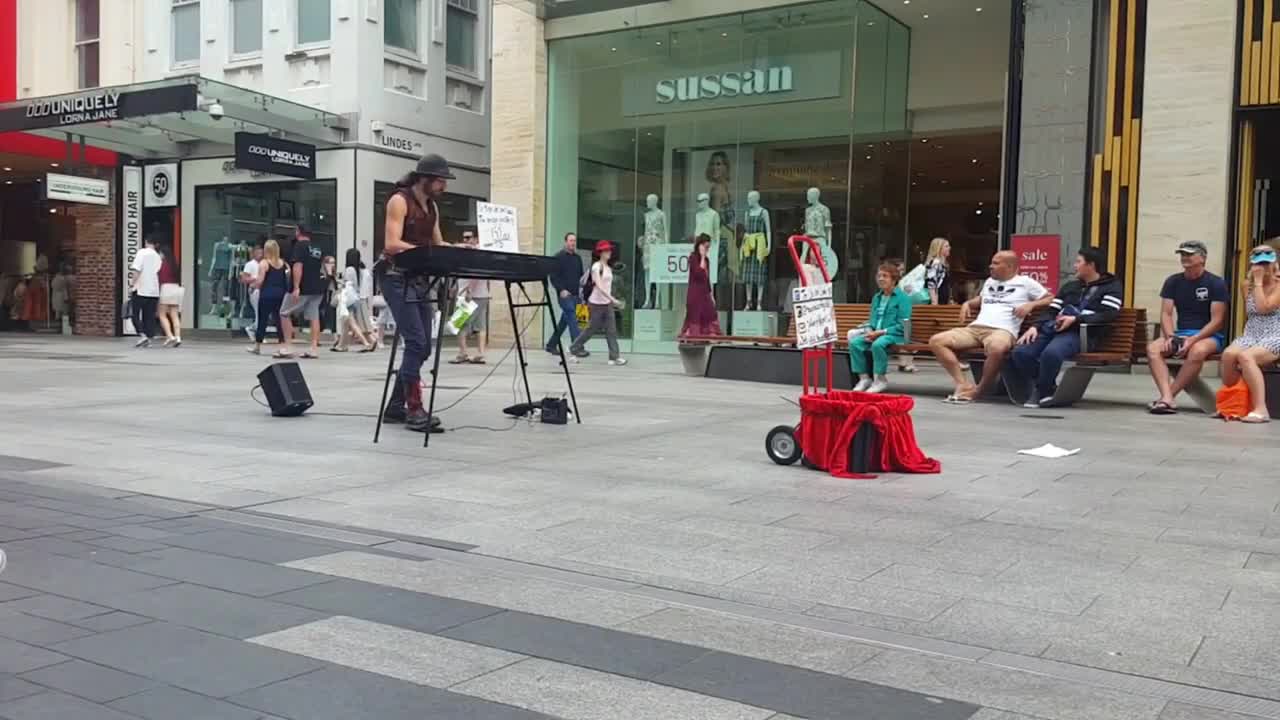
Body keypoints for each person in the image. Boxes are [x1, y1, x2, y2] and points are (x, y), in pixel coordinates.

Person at [381, 153, 453, 432]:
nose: (443, 186)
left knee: (423, 346)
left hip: (420, 279)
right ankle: (413, 407)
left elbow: (438, 243)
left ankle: (395, 407)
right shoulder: (399, 201)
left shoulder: (432, 208)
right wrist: (426, 252)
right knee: (415, 342)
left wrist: (459, 249)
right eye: (439, 180)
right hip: (395, 276)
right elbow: (391, 243)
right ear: (424, 178)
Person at [929, 250, 1053, 404]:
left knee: (997, 348)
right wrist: (968, 303)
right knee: (937, 341)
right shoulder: (989, 281)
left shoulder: (1025, 282)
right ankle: (962, 383)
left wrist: (1031, 304)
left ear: (1009, 266)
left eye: (995, 263)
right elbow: (982, 299)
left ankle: (980, 390)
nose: (990, 266)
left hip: (1002, 331)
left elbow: (1050, 298)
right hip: (975, 329)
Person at [1006, 247, 1123, 408]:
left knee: (1051, 353)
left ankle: (1042, 391)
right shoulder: (1070, 287)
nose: (1074, 266)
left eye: (1078, 262)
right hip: (1053, 328)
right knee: (1021, 352)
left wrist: (1076, 319)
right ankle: (1047, 386)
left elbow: (1108, 314)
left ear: (1091, 265)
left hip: (1081, 333)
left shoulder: (1112, 287)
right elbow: (1052, 310)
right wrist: (1035, 326)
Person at [1146, 241, 1230, 414]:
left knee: (1197, 350)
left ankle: (1167, 398)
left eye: (1189, 254)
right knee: (1153, 348)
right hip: (1180, 334)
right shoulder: (1173, 281)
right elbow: (1166, 314)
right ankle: (1167, 398)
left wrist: (1193, 339)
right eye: (1182, 254)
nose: (1185, 257)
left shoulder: (1216, 283)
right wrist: (1171, 337)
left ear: (1202, 258)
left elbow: (1217, 321)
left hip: (1209, 337)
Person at [1219, 246, 1280, 423]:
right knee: (1229, 355)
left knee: (1246, 357)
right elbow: (1252, 311)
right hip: (1252, 333)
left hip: (1275, 333)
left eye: (1266, 263)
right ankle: (1235, 404)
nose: (1262, 267)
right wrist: (1256, 282)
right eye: (1258, 263)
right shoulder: (1246, 284)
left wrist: (1260, 282)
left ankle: (1261, 409)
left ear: (1274, 264)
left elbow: (1263, 308)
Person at [851, 262, 912, 393]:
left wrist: (880, 332)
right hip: (876, 333)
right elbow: (873, 320)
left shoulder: (903, 298)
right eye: (879, 276)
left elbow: (903, 325)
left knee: (878, 344)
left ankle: (880, 380)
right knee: (855, 343)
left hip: (895, 334)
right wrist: (869, 330)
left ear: (894, 279)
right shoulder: (877, 297)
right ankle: (864, 378)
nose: (880, 279)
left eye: (885, 276)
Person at [569, 240, 626, 365]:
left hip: (607, 304)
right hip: (595, 303)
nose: (609, 252)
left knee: (611, 330)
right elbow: (599, 286)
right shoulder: (596, 267)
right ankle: (574, 348)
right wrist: (613, 299)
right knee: (590, 329)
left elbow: (608, 286)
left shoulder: (608, 268)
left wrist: (611, 300)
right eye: (606, 250)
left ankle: (614, 357)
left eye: (609, 250)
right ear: (600, 253)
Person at [277, 229, 325, 359]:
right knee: (314, 315)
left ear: (298, 232)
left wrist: (297, 286)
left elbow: (298, 266)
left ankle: (288, 346)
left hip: (304, 286)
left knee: (284, 312)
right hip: (318, 287)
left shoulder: (299, 246)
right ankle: (314, 348)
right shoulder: (318, 247)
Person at [247, 240, 289, 355]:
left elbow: (260, 281)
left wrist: (252, 286)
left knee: (262, 320)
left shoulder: (264, 263)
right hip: (280, 295)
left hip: (266, 295)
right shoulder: (283, 263)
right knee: (279, 321)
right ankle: (282, 346)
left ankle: (257, 346)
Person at [455, 231, 491, 364]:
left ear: (476, 239)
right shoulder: (479, 253)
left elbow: (476, 274)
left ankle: (463, 353)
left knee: (460, 324)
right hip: (480, 294)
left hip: (470, 295)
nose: (466, 240)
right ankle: (480, 353)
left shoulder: (475, 253)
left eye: (469, 237)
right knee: (480, 325)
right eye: (464, 237)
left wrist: (469, 289)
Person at [546, 232, 585, 355]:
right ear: (566, 242)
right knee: (573, 318)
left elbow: (581, 276)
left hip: (576, 295)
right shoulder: (558, 257)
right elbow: (553, 276)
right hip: (564, 295)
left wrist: (582, 292)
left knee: (566, 321)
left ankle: (551, 345)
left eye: (574, 241)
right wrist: (561, 290)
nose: (573, 243)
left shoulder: (578, 258)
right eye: (570, 240)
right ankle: (577, 347)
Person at [679, 233, 722, 337]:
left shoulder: (707, 260)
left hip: (704, 294)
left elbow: (706, 279)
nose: (707, 250)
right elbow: (699, 273)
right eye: (706, 247)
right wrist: (702, 257)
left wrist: (711, 295)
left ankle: (711, 334)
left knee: (711, 313)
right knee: (695, 316)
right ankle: (692, 336)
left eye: (708, 247)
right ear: (700, 245)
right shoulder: (693, 258)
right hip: (695, 294)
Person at [333, 248, 374, 352]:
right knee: (345, 321)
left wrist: (339, 281)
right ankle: (342, 345)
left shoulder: (349, 269)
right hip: (356, 298)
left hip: (349, 298)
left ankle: (365, 342)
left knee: (350, 321)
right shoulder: (360, 270)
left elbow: (348, 284)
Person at [129, 236, 162, 348]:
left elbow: (137, 270)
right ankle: (148, 338)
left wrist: (132, 284)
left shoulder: (142, 253)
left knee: (135, 314)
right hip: (153, 290)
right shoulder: (158, 256)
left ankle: (142, 336)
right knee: (149, 316)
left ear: (146, 242)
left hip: (141, 289)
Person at [156, 244, 184, 347]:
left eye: (159, 253)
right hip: (176, 288)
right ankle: (178, 337)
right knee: (175, 315)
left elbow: (159, 278)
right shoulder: (174, 264)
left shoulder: (161, 264)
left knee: (162, 314)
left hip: (166, 288)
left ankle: (169, 335)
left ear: (162, 254)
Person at [241, 242, 264, 338]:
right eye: (258, 253)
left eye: (262, 253)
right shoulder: (249, 264)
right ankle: (256, 332)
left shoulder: (264, 264)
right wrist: (255, 278)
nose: (260, 255)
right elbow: (244, 279)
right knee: (259, 312)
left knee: (262, 313)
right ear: (254, 253)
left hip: (263, 290)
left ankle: (252, 328)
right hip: (254, 290)